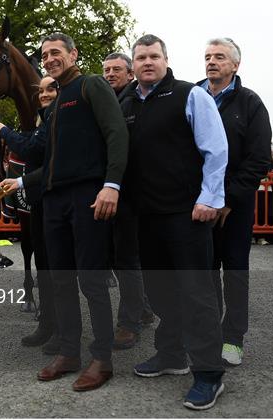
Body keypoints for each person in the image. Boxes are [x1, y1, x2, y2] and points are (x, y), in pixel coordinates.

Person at [9, 33, 128, 392]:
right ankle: (69, 352)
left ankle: (102, 358)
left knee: (91, 280)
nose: (49, 59)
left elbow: (117, 133)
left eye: (56, 52)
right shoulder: (56, 103)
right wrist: (20, 183)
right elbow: (48, 158)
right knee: (60, 279)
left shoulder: (91, 86)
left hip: (88, 196)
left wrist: (112, 184)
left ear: (73, 54)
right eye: (45, 55)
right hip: (54, 200)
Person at [121, 34, 228, 410]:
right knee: (161, 291)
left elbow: (216, 149)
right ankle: (171, 355)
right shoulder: (126, 102)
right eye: (141, 57)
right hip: (146, 216)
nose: (147, 62)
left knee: (197, 295)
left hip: (188, 214)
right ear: (133, 64)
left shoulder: (191, 95)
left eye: (153, 56)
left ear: (165, 60)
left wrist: (209, 199)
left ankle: (209, 374)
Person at [198, 37, 272, 367]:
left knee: (235, 271)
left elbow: (258, 160)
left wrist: (225, 199)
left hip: (234, 208)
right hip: (197, 205)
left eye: (220, 57)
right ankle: (210, 332)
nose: (212, 62)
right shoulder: (193, 96)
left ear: (235, 65)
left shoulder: (250, 103)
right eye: (208, 56)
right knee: (205, 272)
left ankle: (233, 338)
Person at [0, 75, 59, 354]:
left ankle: (62, 330)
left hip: (57, 201)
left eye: (50, 89)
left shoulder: (57, 119)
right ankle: (48, 323)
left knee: (57, 268)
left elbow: (32, 148)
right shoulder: (43, 119)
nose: (44, 94)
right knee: (43, 262)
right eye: (40, 90)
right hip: (40, 201)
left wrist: (5, 131)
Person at [103, 52, 154, 349]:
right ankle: (144, 309)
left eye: (117, 70)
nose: (110, 74)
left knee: (127, 259)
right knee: (115, 256)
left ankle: (128, 323)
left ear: (130, 73)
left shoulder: (135, 101)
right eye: (106, 70)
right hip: (110, 192)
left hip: (132, 193)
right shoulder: (105, 101)